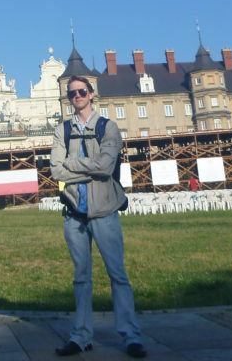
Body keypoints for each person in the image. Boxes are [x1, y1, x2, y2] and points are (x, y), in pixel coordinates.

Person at [50, 76, 146, 358]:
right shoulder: (62, 130)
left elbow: (106, 167)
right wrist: (86, 168)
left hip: (104, 211)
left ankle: (130, 336)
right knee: (81, 277)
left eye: (81, 91)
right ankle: (80, 336)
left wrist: (72, 165)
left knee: (118, 274)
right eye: (72, 93)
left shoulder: (108, 127)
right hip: (74, 213)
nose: (77, 96)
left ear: (91, 94)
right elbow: (56, 172)